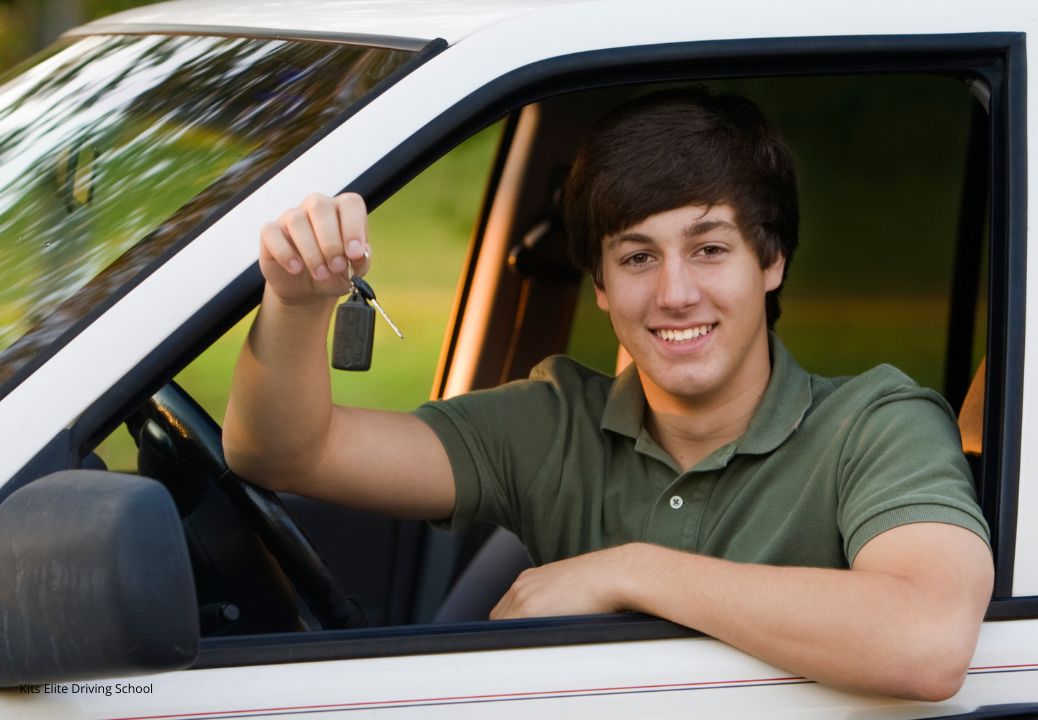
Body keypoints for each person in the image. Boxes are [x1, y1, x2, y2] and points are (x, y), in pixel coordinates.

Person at [222, 89, 993, 701]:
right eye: (637, 257)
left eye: (710, 249)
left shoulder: (878, 426)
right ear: (599, 286)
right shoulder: (554, 421)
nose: (675, 293)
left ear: (772, 262)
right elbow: (285, 451)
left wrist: (629, 570)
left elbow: (927, 642)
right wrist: (296, 303)